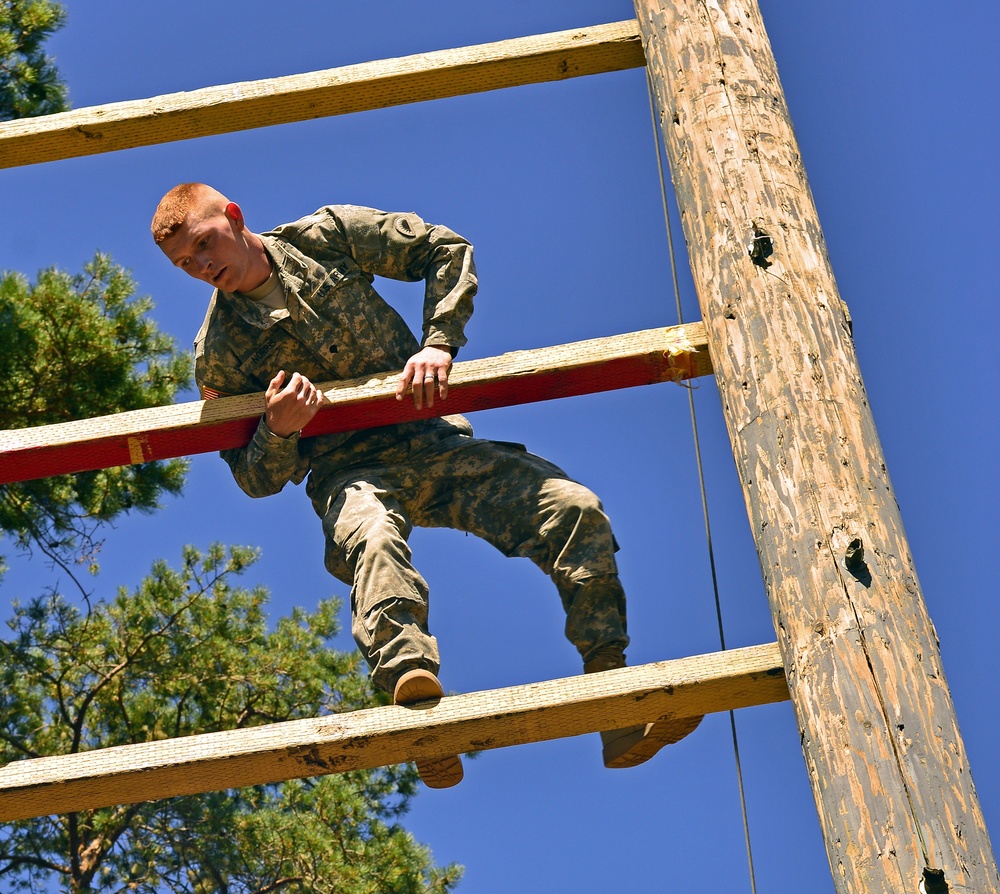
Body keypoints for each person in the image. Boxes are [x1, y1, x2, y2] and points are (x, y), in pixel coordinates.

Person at [152, 183, 701, 788]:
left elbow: (445, 249)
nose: (203, 268)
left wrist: (439, 344)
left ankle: (612, 691)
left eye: (205, 245)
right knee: (373, 538)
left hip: (433, 441)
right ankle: (418, 717)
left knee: (572, 508)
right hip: (349, 469)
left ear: (234, 217)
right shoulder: (220, 354)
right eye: (186, 264)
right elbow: (253, 478)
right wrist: (279, 431)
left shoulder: (326, 237)